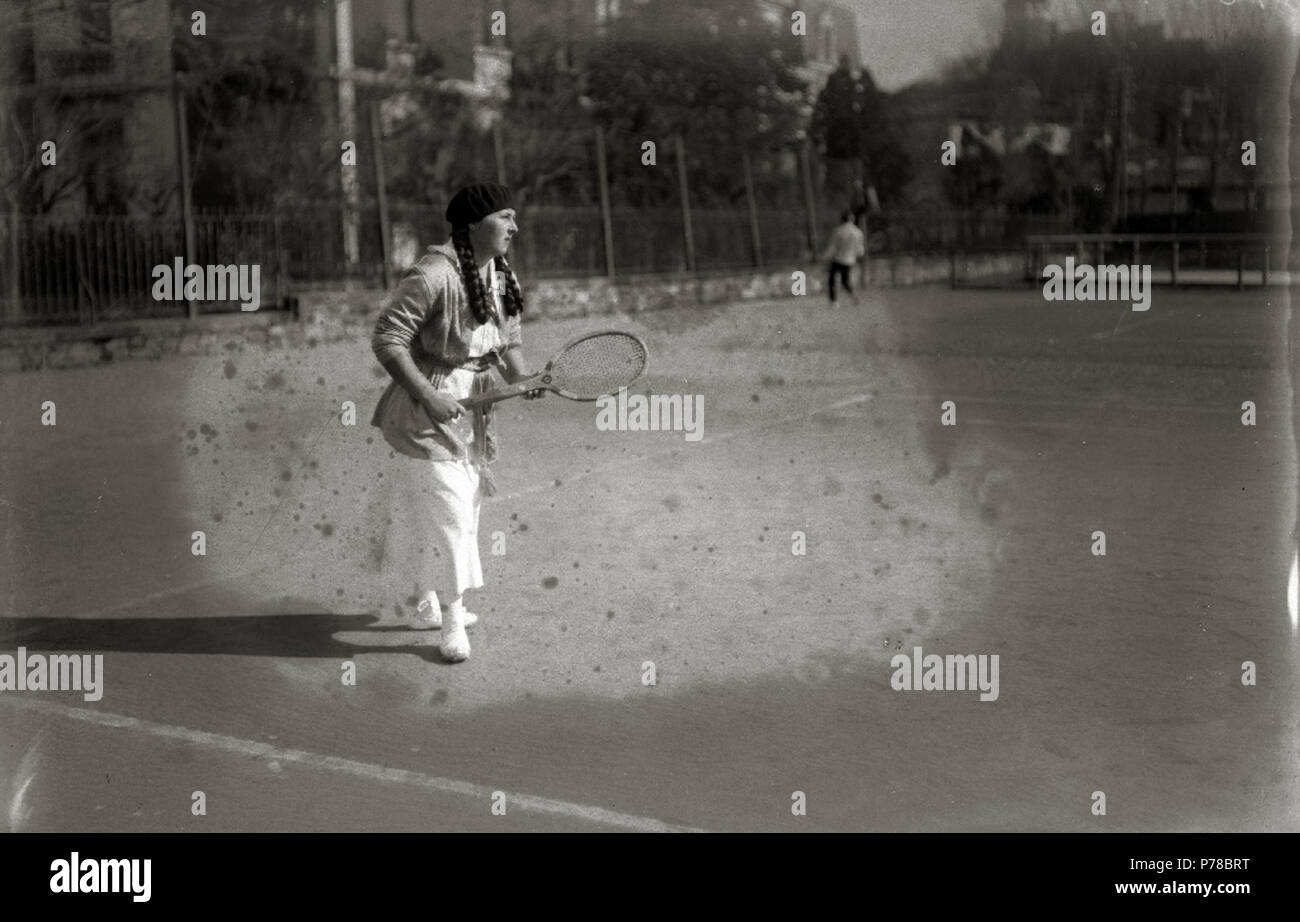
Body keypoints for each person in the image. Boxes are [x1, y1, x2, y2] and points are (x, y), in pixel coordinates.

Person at [370, 181, 542, 663]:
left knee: (462, 507)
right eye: (505, 216)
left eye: (514, 216)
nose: (514, 226)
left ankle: (426, 603)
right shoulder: (432, 274)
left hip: (473, 411)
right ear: (474, 225)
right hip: (423, 412)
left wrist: (522, 379)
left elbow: (508, 339)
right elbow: (387, 339)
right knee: (452, 515)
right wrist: (428, 393)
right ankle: (451, 620)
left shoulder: (501, 274)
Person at [821, 210, 865, 305]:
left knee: (832, 280)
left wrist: (825, 256)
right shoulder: (858, 232)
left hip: (838, 259)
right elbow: (860, 250)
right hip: (850, 259)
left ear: (842, 219)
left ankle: (834, 301)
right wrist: (858, 255)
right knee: (845, 281)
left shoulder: (839, 231)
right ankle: (854, 296)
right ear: (852, 219)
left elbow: (833, 247)